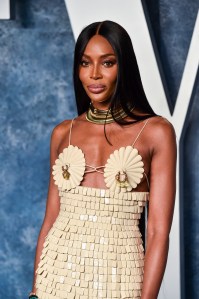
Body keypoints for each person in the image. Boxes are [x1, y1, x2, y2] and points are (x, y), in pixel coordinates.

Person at [29, 20, 176, 299]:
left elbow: (158, 231)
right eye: (85, 63)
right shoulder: (63, 132)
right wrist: (36, 292)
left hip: (121, 280)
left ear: (125, 67)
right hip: (56, 279)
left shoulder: (156, 132)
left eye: (107, 63)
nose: (94, 74)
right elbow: (50, 220)